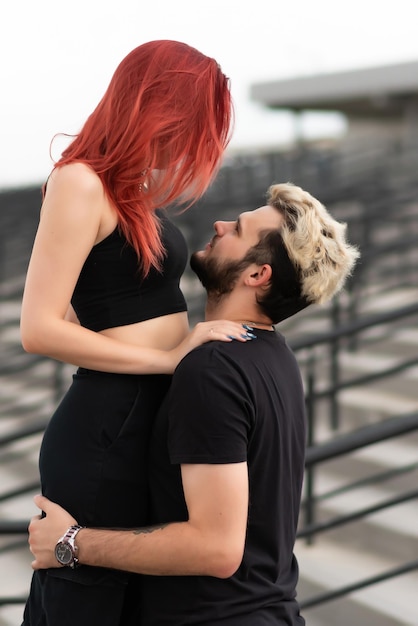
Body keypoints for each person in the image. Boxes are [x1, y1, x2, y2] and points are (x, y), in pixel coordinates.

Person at [28, 182, 360, 625]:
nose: (220, 225)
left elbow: (216, 549)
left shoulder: (212, 370)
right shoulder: (274, 356)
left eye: (238, 229)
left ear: (257, 274)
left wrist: (71, 542)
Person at [19, 40, 250, 626]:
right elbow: (38, 329)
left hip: (145, 415)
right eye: (195, 120)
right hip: (109, 424)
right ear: (158, 103)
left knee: (129, 602)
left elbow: (83, 309)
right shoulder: (79, 181)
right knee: (86, 600)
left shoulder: (131, 192)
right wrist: (170, 359)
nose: (195, 140)